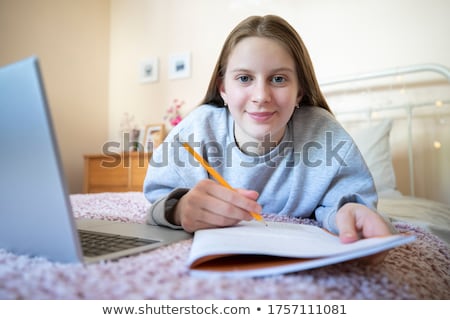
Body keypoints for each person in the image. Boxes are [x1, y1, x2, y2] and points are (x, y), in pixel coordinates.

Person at [143, 15, 394, 263]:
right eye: (244, 78)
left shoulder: (323, 133)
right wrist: (179, 210)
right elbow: (158, 200)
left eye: (278, 79)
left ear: (299, 92)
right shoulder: (197, 129)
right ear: (223, 89)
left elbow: (346, 202)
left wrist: (350, 212)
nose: (261, 96)